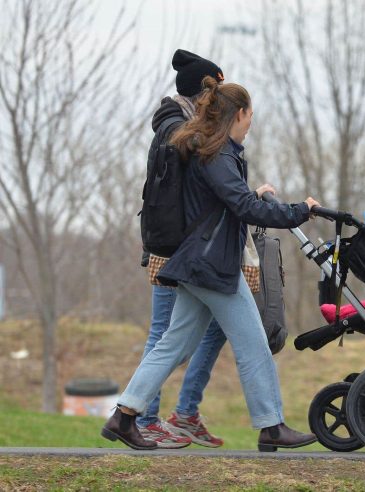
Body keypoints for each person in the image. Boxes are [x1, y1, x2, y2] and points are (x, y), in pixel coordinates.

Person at [101, 76, 319, 451]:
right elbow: (243, 208)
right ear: (240, 114)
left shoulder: (215, 154)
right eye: (251, 115)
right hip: (211, 266)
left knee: (173, 345)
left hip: (199, 263)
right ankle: (271, 426)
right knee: (253, 345)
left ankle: (124, 416)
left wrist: (256, 196)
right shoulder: (218, 156)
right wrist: (301, 211)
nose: (252, 123)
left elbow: (224, 205)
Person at [136, 49, 229, 449]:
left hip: (196, 249)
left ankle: (185, 413)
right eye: (217, 90)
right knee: (162, 334)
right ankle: (142, 417)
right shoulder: (173, 124)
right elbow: (190, 158)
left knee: (216, 329)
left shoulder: (186, 124)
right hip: (173, 250)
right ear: (202, 92)